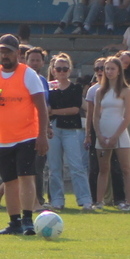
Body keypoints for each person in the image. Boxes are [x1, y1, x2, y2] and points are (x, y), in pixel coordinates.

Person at [0, 34, 50, 234]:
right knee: (9, 181)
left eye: (8, 51)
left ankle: (27, 220)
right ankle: (14, 222)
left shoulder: (28, 74)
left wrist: (42, 135)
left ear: (17, 52)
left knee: (26, 177)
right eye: (1, 52)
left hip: (26, 136)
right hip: (2, 139)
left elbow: (42, 108)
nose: (5, 55)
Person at [44, 52, 90, 211]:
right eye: (59, 69)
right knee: (54, 167)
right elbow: (46, 108)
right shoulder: (49, 87)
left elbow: (74, 109)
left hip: (70, 129)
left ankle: (85, 199)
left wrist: (54, 111)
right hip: (53, 128)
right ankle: (57, 199)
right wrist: (52, 112)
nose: (62, 72)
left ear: (70, 70)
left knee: (76, 166)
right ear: (53, 70)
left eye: (65, 69)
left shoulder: (75, 88)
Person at [90, 57, 130, 212]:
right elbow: (95, 116)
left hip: (120, 133)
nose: (109, 72)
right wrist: (99, 135)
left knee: (126, 168)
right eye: (107, 69)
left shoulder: (126, 91)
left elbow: (127, 117)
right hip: (103, 133)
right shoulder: (99, 91)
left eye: (112, 69)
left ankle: (129, 202)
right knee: (103, 169)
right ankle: (99, 201)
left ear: (119, 71)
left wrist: (116, 136)